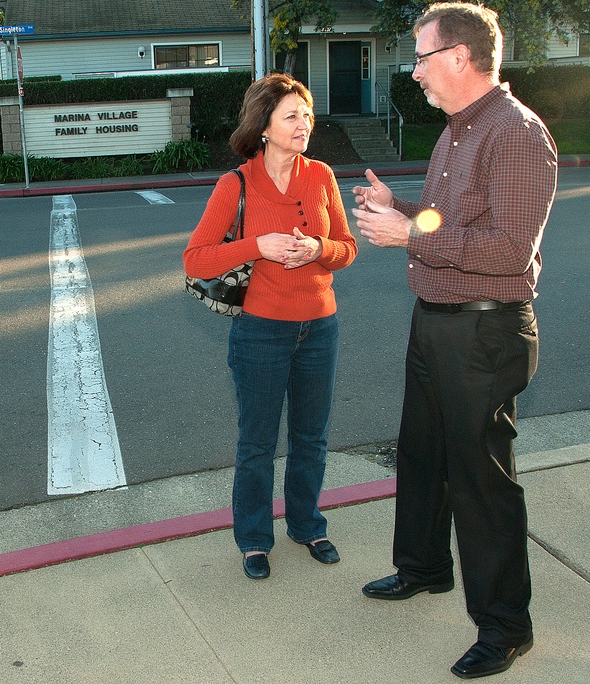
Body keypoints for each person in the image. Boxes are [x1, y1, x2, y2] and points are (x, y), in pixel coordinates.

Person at [351, 3, 558, 679]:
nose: (412, 72)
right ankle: (423, 569)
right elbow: (453, 219)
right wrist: (402, 210)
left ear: (460, 58)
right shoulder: (455, 133)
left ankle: (505, 628)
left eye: (421, 56)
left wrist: (410, 234)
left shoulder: (516, 134)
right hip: (437, 322)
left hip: (485, 328)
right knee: (421, 454)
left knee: (480, 481)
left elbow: (507, 251)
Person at [183, 73, 357, 581]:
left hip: (319, 328)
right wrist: (256, 246)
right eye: (291, 116)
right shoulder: (235, 184)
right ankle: (254, 540)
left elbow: (346, 247)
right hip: (261, 331)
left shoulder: (321, 175)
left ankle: (307, 525)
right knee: (257, 442)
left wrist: (318, 250)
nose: (304, 124)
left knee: (312, 438)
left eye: (306, 115)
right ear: (264, 125)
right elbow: (196, 260)